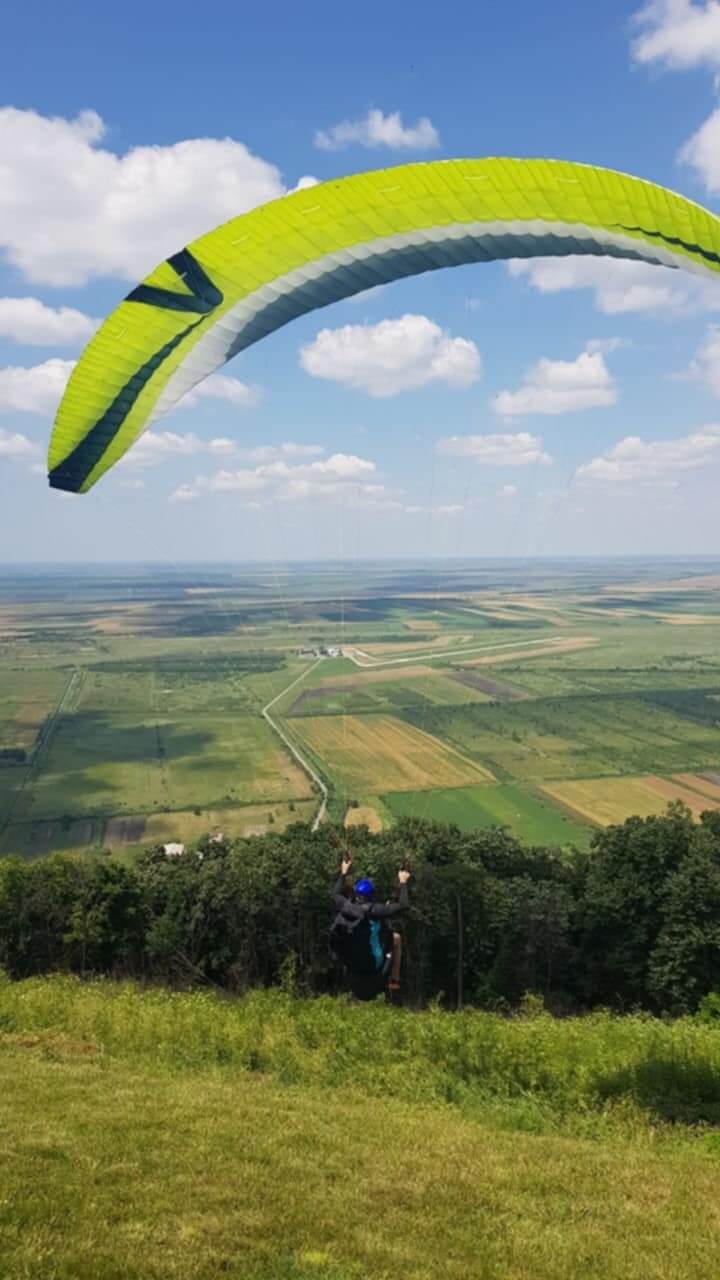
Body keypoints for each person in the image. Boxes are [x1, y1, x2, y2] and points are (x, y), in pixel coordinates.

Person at [329, 856, 411, 1002]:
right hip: (373, 964)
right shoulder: (376, 911)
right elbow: (404, 905)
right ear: (371, 896)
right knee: (397, 938)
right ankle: (394, 980)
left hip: (352, 961)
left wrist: (343, 872)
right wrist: (403, 882)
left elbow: (335, 894)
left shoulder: (347, 907)